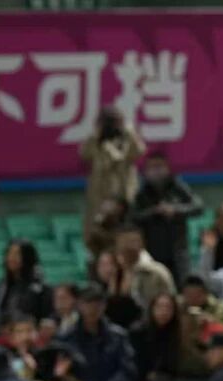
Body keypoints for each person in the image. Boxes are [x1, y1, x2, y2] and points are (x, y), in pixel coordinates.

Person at [133, 151, 203, 284]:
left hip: (178, 250)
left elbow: (198, 207)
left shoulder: (177, 187)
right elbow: (134, 216)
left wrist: (175, 210)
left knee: (183, 284)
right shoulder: (142, 193)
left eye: (159, 166)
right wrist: (154, 212)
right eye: (152, 167)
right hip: (153, 251)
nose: (156, 171)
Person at [82, 106, 146, 250]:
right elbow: (84, 154)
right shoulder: (96, 142)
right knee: (99, 241)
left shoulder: (127, 140)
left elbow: (139, 151)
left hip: (125, 199)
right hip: (100, 200)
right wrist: (97, 135)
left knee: (126, 241)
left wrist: (129, 131)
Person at [0, 241, 52, 336]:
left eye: (17, 254)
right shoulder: (1, 287)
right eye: (9, 253)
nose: (11, 258)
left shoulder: (40, 288)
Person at [115, 226, 176, 312]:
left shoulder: (157, 272)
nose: (128, 247)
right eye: (124, 242)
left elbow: (171, 304)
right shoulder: (115, 271)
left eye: (132, 242)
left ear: (142, 244)